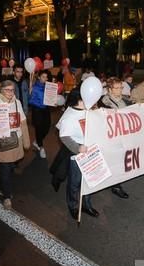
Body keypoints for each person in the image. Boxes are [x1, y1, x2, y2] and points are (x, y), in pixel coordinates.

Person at [56, 89, 99, 219]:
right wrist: (77, 147)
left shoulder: (88, 109)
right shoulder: (69, 116)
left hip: (92, 151)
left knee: (90, 180)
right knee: (75, 182)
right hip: (78, 155)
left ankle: (86, 205)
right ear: (79, 100)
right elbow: (64, 137)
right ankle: (73, 206)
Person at [0, 81, 31, 209]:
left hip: (15, 142)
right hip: (2, 144)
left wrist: (26, 141)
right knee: (5, 169)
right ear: (1, 90)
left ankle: (2, 187)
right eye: (7, 90)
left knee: (10, 167)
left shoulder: (17, 103)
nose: (10, 93)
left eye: (12, 90)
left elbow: (23, 122)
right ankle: (7, 196)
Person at [99, 77, 133, 200]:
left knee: (121, 160)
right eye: (116, 88)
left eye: (121, 88)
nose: (119, 90)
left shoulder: (125, 100)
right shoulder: (105, 102)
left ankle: (115, 181)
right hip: (113, 138)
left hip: (124, 135)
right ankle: (116, 186)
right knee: (115, 161)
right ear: (109, 89)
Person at [29, 70, 52, 159]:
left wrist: (54, 101)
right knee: (39, 128)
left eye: (46, 77)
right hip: (37, 110)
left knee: (47, 127)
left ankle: (37, 141)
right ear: (39, 77)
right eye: (43, 77)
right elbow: (30, 100)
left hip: (46, 109)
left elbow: (51, 99)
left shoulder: (49, 87)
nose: (45, 79)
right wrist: (30, 91)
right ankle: (41, 147)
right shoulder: (34, 87)